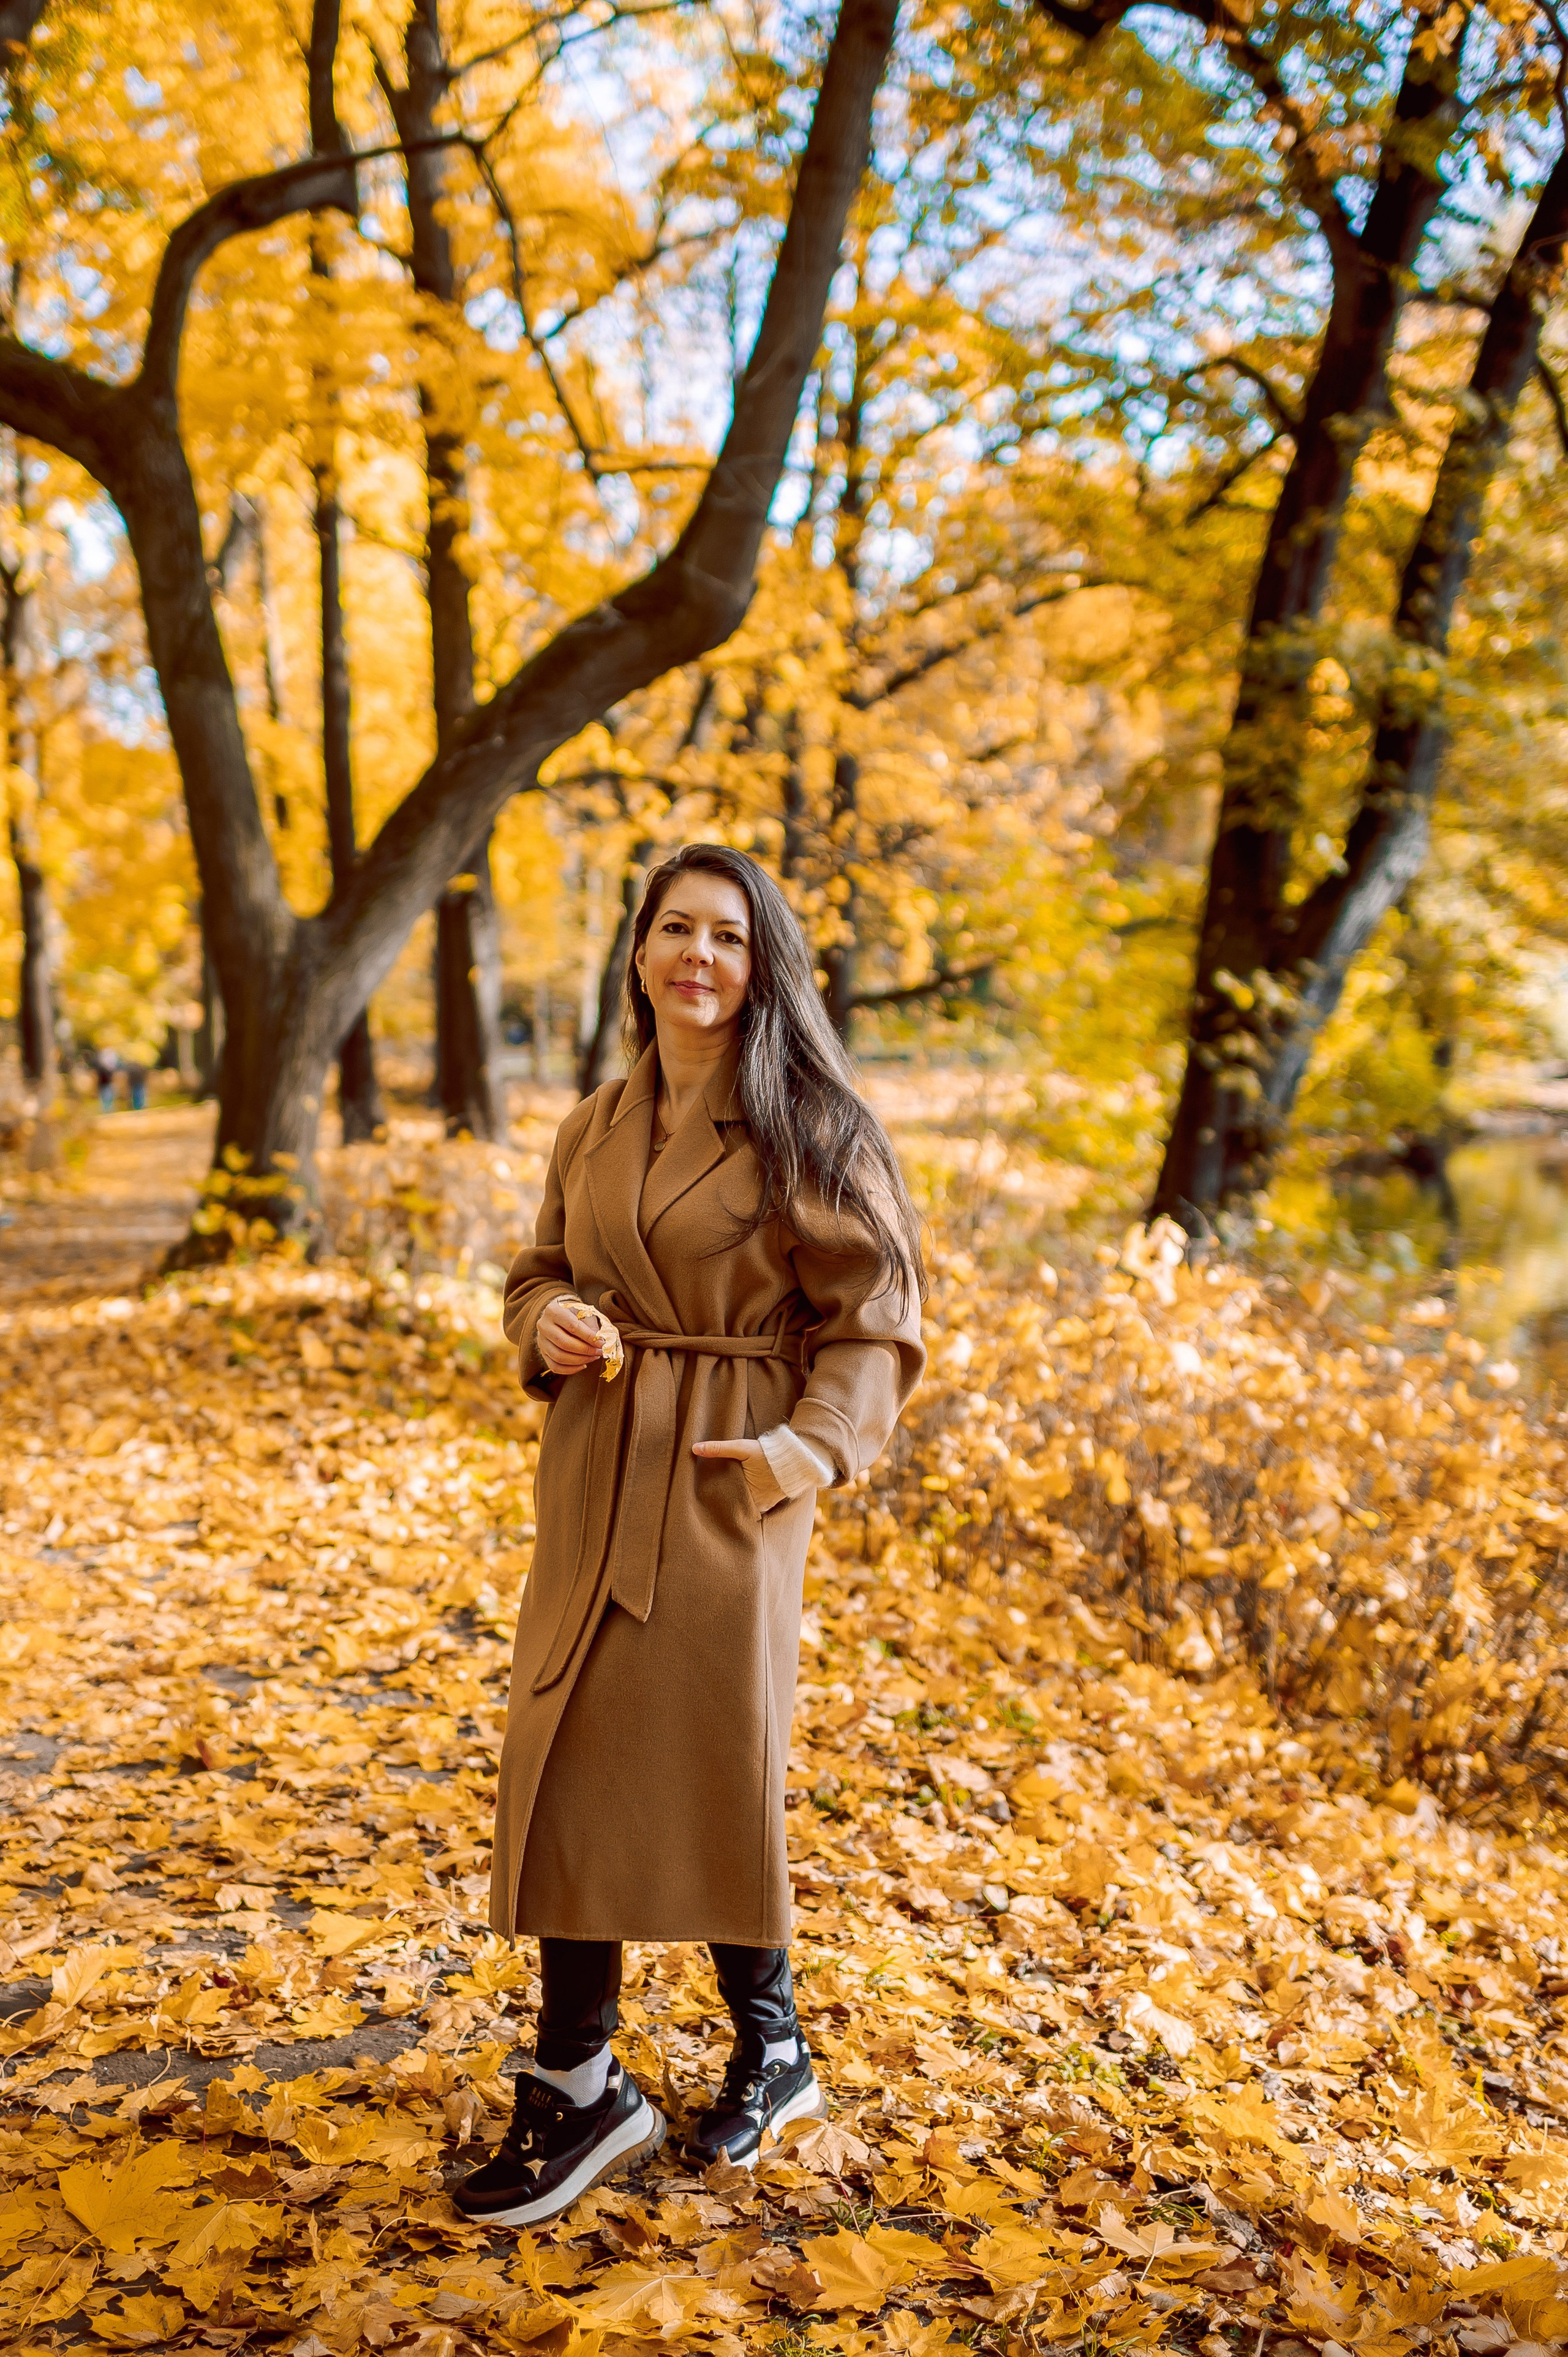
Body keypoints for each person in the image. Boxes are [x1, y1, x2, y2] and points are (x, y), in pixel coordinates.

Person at [458, 845, 926, 2229]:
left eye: (727, 934)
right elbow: (539, 1265)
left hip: (731, 1471)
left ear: (760, 958)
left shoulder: (808, 1124)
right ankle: (584, 2077)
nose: (698, 956)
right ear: (640, 951)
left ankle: (759, 2050)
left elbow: (878, 1312)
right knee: (568, 1744)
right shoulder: (594, 1121)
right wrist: (539, 1324)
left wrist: (805, 1449)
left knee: (715, 1754)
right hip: (599, 1457)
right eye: (675, 929)